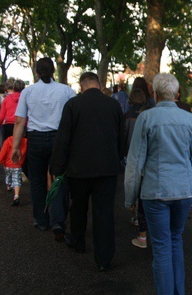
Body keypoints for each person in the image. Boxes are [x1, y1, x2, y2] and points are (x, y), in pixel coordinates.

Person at [125, 73, 192, 295]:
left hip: (155, 192)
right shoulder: (190, 120)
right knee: (176, 240)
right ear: (177, 94)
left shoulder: (146, 118)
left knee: (161, 246)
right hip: (184, 190)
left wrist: (130, 197)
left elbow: (135, 162)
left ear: (155, 94)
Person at [51, 72, 125, 271]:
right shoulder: (113, 105)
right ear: (99, 85)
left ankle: (78, 242)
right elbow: (121, 137)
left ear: (81, 87)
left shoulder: (73, 105)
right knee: (104, 212)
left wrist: (57, 167)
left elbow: (63, 138)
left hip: (78, 168)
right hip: (107, 168)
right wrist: (118, 158)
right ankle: (104, 258)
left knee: (78, 208)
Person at [11, 57, 75, 236]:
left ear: (37, 72)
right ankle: (58, 221)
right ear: (54, 70)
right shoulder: (66, 91)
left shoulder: (28, 92)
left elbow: (19, 121)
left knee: (37, 180)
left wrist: (15, 146)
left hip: (36, 139)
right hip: (59, 139)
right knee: (58, 179)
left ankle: (41, 219)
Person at [124, 87, 152, 248]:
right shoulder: (150, 116)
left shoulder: (127, 116)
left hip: (132, 153)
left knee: (135, 184)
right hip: (148, 160)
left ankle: (140, 226)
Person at [0, 135, 28, 206]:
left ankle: (9, 185)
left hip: (7, 165)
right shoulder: (26, 141)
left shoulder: (8, 141)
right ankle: (16, 195)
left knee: (8, 176)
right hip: (18, 164)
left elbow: (2, 153)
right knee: (17, 179)